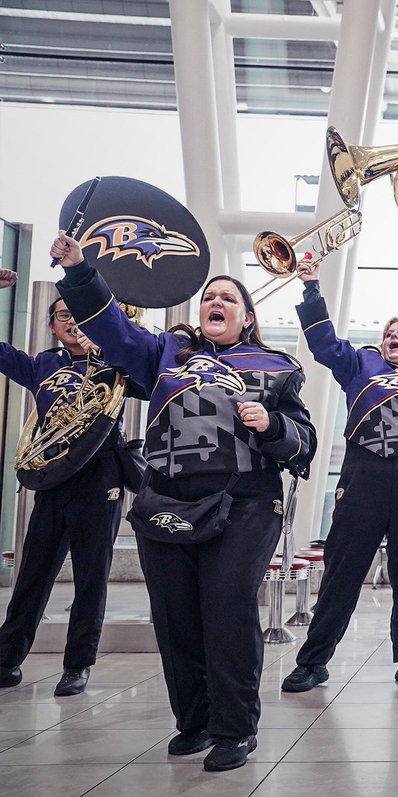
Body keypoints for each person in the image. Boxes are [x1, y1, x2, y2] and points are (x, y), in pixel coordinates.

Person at [51, 232, 317, 772]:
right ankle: (193, 721)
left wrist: (274, 424)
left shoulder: (277, 367)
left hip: (244, 502)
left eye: (228, 299)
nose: (215, 303)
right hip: (167, 499)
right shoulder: (165, 354)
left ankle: (235, 728)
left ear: (246, 317)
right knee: (174, 615)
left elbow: (304, 443)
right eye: (209, 297)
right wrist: (80, 271)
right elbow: (112, 328)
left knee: (226, 604)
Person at [282, 261, 398, 692]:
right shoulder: (362, 366)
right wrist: (312, 287)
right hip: (363, 476)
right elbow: (324, 343)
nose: (392, 338)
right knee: (341, 574)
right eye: (388, 333)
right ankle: (313, 661)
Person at [0, 271, 135, 697]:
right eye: (62, 314)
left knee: (91, 577)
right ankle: (6, 659)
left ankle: (78, 665)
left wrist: (109, 342)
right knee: (33, 575)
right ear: (52, 325)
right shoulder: (42, 364)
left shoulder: (116, 361)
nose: (71, 320)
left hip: (99, 479)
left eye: (77, 312)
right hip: (52, 478)